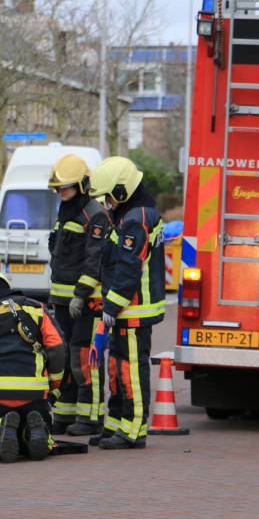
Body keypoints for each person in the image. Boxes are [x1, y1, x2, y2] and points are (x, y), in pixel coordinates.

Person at [88, 157, 166, 450]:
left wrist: (111, 306)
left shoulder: (136, 219)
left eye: (107, 196)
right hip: (124, 308)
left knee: (131, 368)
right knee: (116, 367)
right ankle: (116, 424)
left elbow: (128, 267)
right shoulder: (130, 215)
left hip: (133, 309)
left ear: (121, 191)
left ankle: (133, 431)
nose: (105, 202)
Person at [0, 270, 66, 463]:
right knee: (41, 427)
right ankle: (30, 433)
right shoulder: (37, 308)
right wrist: (53, 388)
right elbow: (58, 349)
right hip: (35, 395)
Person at [47, 154, 110, 436]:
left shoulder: (94, 214)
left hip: (84, 303)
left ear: (82, 186)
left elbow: (93, 258)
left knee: (83, 358)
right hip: (62, 301)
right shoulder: (66, 211)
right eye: (60, 189)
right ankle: (65, 414)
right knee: (65, 358)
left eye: (68, 189)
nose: (63, 194)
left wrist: (81, 295)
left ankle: (90, 417)